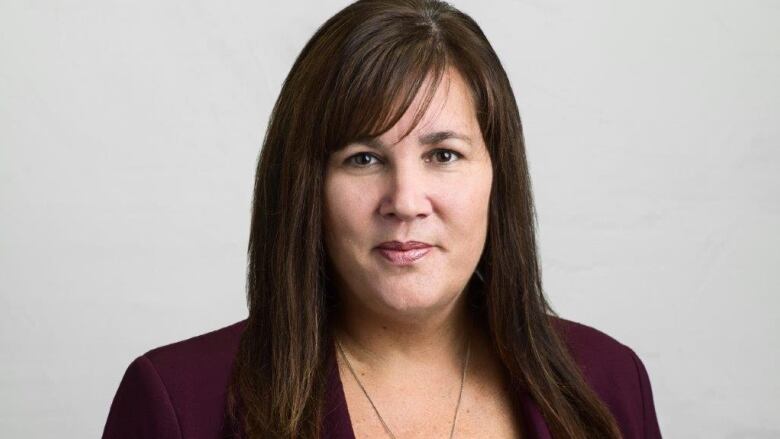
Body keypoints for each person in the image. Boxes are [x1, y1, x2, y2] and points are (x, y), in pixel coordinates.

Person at [102, 0, 662, 438]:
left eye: (443, 155)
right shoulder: (177, 404)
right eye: (363, 159)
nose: (406, 200)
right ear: (306, 187)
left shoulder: (609, 383)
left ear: (498, 176)